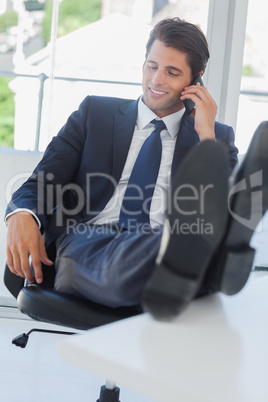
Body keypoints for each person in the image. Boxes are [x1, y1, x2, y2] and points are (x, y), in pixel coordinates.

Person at [5, 18, 268, 321]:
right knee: (163, 252)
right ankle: (201, 262)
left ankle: (180, 255)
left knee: (182, 236)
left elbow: (211, 210)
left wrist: (205, 136)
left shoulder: (214, 135)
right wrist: (22, 215)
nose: (156, 80)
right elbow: (41, 182)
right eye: (151, 66)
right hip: (88, 243)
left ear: (196, 80)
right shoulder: (95, 114)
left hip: (166, 237)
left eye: (172, 72)